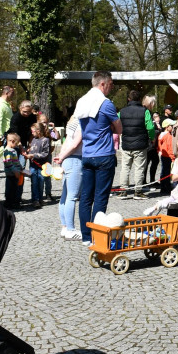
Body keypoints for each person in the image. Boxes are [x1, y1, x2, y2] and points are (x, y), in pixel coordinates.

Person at [54, 71, 121, 247]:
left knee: (85, 198)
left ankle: (85, 236)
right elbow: (119, 128)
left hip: (88, 155)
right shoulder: (106, 104)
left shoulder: (81, 102)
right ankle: (97, 235)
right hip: (104, 154)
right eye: (111, 84)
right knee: (100, 198)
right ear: (103, 84)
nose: (112, 87)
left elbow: (81, 130)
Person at [117, 90, 154, 200]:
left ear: (129, 99)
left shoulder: (122, 111)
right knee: (139, 168)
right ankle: (138, 192)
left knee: (125, 167)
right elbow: (151, 127)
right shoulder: (145, 111)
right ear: (139, 99)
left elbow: (117, 125)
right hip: (140, 144)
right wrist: (152, 138)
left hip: (126, 144)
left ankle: (123, 191)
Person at [58, 116, 83, 240]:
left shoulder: (72, 122)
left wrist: (61, 156)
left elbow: (67, 142)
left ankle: (65, 227)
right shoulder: (81, 123)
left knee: (65, 195)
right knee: (72, 196)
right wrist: (62, 157)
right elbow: (74, 144)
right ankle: (70, 229)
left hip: (67, 160)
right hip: (75, 159)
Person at [27, 122, 51, 210]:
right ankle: (35, 199)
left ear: (38, 131)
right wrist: (28, 153)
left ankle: (40, 198)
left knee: (40, 182)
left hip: (41, 166)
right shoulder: (33, 140)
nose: (32, 133)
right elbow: (31, 150)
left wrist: (34, 155)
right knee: (34, 182)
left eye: (33, 131)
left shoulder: (45, 140)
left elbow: (45, 154)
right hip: (33, 165)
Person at [1, 133, 26, 209]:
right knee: (10, 189)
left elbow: (16, 161)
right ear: (12, 141)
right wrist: (15, 171)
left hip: (15, 173)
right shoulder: (8, 151)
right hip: (11, 174)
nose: (17, 145)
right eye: (16, 143)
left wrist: (20, 168)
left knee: (14, 188)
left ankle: (13, 202)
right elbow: (8, 163)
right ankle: (8, 203)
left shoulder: (12, 150)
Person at [157, 119, 175, 196]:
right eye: (172, 126)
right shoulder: (167, 135)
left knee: (164, 171)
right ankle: (166, 188)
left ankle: (164, 187)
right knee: (166, 172)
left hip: (166, 155)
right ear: (167, 127)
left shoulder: (162, 134)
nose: (173, 127)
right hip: (168, 156)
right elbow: (168, 147)